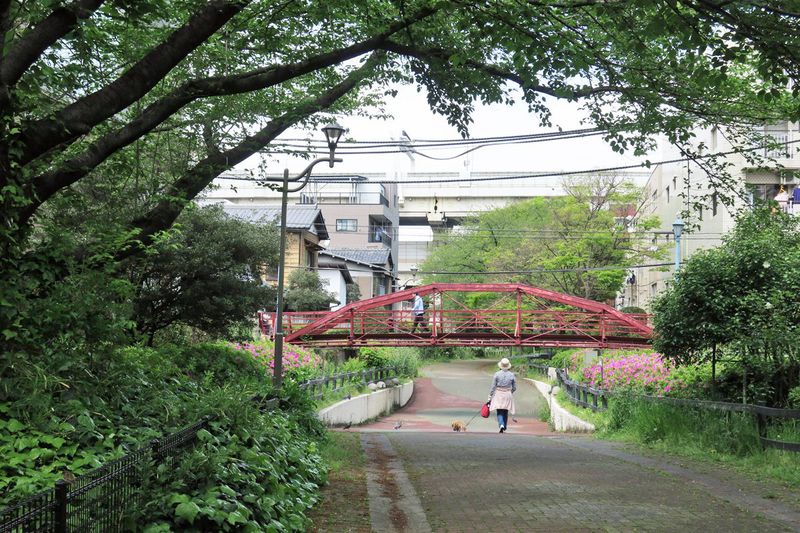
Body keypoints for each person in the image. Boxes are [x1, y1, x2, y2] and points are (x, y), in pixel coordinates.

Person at [488, 357, 516, 433]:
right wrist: (510, 392)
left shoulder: (497, 374)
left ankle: (501, 424)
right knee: (505, 411)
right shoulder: (512, 375)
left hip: (499, 394)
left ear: (501, 366)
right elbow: (514, 387)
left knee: (499, 410)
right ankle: (504, 426)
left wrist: (490, 395)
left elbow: (493, 386)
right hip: (508, 394)